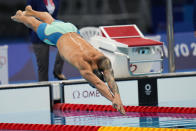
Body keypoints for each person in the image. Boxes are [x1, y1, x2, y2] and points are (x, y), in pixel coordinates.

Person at [11, 5, 126, 115]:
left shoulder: (102, 59)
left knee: (50, 19)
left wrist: (118, 97)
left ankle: (31, 11)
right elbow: (98, 83)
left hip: (71, 29)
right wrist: (113, 100)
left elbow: (109, 78)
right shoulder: (84, 67)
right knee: (34, 23)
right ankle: (20, 16)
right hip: (55, 36)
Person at [27, 0, 66, 81]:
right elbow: (28, 15)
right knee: (43, 67)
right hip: (39, 35)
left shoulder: (56, 1)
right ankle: (44, 89)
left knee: (65, 44)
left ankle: (57, 71)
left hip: (53, 32)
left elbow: (54, 17)